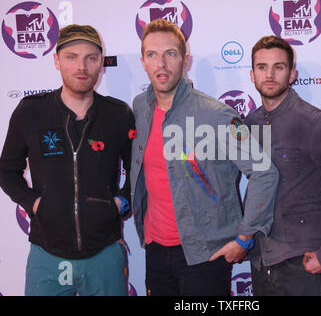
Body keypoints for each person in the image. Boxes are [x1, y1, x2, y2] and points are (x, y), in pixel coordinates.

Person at [130, 19, 279, 296]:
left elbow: (264, 172)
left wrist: (244, 238)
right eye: (152, 55)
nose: (161, 64)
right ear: (143, 61)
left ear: (186, 60)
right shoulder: (141, 107)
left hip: (204, 257)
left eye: (170, 54)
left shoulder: (217, 115)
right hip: (155, 250)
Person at [0, 24, 135, 296]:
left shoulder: (118, 114)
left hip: (105, 252)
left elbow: (138, 170)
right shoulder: (31, 111)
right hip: (46, 253)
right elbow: (6, 170)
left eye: (91, 58)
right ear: (56, 60)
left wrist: (121, 201)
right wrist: (34, 203)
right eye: (72, 57)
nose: (81, 66)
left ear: (101, 63)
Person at [245, 36, 321, 296]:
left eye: (279, 67)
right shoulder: (249, 124)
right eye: (262, 67)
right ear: (252, 75)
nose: (270, 74)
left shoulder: (313, 123)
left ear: (292, 74)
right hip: (262, 261)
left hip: (302, 265)